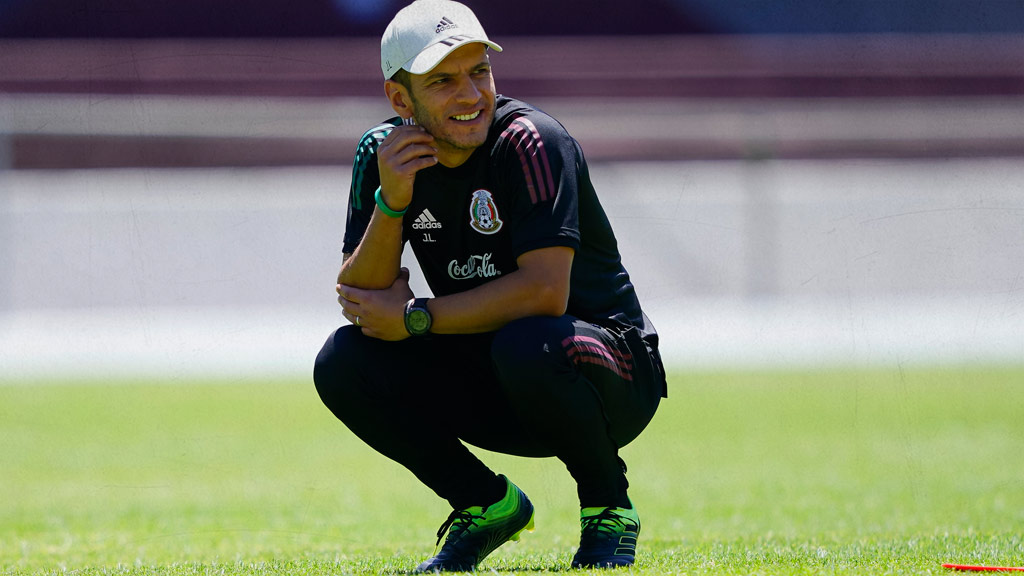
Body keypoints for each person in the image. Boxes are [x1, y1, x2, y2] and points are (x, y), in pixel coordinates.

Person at [313, 0, 667, 571]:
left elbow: (543, 294)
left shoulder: (531, 141)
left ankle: (609, 508)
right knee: (342, 362)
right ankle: (487, 504)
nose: (471, 95)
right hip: (501, 377)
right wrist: (392, 201)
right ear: (400, 99)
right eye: (444, 81)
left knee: (527, 341)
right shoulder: (382, 155)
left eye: (480, 71)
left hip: (607, 371)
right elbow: (361, 295)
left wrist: (416, 318)